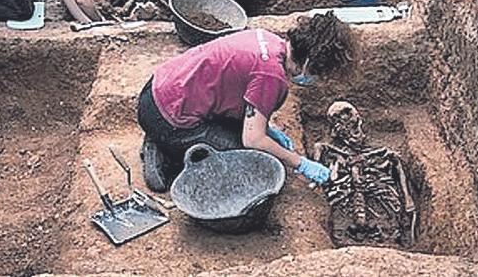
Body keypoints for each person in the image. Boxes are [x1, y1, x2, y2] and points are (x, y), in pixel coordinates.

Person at [136, 15, 355, 192]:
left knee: (260, 143)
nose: (317, 79)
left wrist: (268, 130)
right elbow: (253, 139)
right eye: (319, 73)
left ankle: (167, 139)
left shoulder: (268, 39)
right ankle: (166, 151)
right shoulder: (271, 76)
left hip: (158, 89)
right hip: (167, 117)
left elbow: (238, 92)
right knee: (256, 162)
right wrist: (301, 163)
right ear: (309, 63)